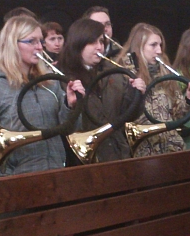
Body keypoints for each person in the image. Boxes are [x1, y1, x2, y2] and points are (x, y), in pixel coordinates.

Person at [0, 15, 83, 177]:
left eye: (40, 41)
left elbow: (69, 129)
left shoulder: (50, 82)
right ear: (12, 44)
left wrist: (71, 106)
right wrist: (3, 141)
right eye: (31, 41)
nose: (39, 47)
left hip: (55, 172)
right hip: (14, 177)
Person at [57, 17, 145, 162]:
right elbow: (64, 127)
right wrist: (70, 106)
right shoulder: (62, 79)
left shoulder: (113, 72)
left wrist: (136, 94)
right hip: (85, 159)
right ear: (78, 43)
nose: (99, 47)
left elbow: (128, 115)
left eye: (101, 41)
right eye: (93, 42)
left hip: (118, 153)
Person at [118, 23, 190, 157]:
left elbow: (177, 116)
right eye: (153, 45)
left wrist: (189, 100)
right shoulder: (123, 75)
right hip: (142, 153)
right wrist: (132, 92)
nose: (159, 51)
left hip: (173, 149)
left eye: (160, 45)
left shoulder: (165, 74)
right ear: (139, 46)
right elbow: (119, 114)